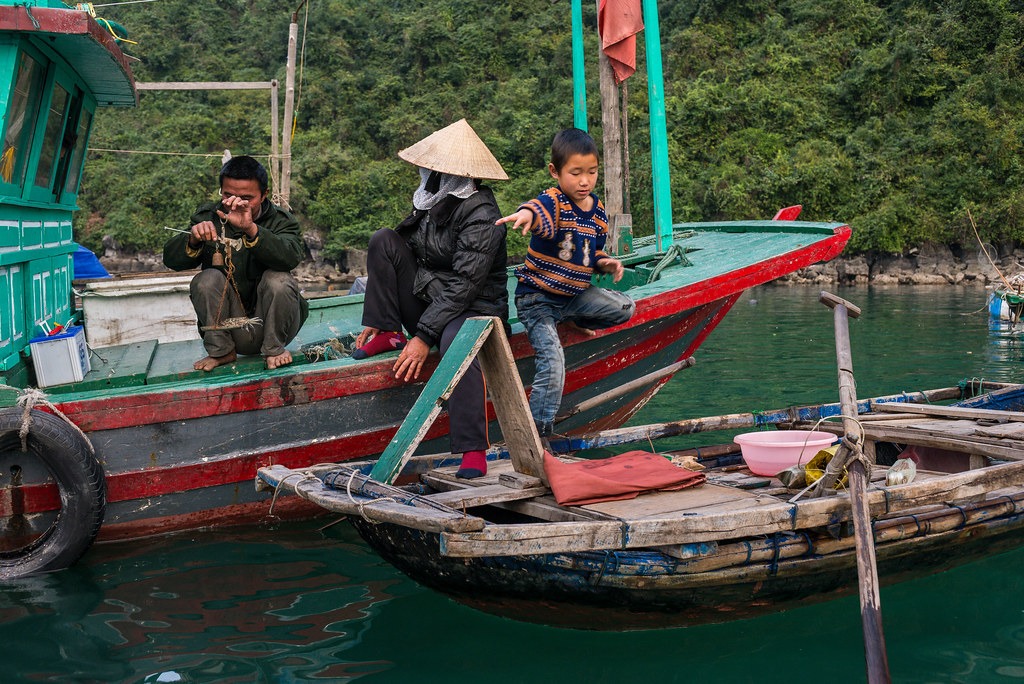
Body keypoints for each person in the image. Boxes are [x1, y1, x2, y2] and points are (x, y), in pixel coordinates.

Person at [353, 119, 509, 479]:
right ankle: (389, 332)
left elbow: (466, 284)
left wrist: (424, 337)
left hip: (476, 307)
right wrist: (380, 313)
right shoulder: (431, 202)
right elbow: (403, 249)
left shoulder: (481, 213)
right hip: (436, 297)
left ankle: (472, 448)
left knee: (456, 341)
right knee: (383, 240)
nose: (430, 173)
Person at [497, 128, 635, 438]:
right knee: (554, 361)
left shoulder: (597, 211)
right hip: (538, 299)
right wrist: (525, 216)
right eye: (575, 173)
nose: (584, 181)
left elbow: (591, 251)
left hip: (573, 298)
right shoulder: (554, 201)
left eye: (592, 172)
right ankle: (537, 435)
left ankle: (572, 320)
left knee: (626, 307)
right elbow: (536, 210)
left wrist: (605, 261)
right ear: (555, 171)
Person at [163, 155, 308, 372]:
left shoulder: (281, 221)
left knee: (279, 279)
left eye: (247, 198)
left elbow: (290, 257)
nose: (236, 202)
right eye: (228, 194)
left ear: (264, 195)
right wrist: (193, 239)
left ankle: (274, 350)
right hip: (230, 326)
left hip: (276, 324)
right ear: (221, 191)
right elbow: (171, 260)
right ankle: (222, 351)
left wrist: (251, 229)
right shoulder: (208, 216)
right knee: (206, 279)